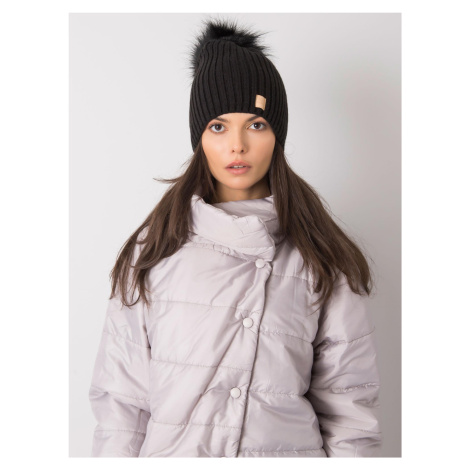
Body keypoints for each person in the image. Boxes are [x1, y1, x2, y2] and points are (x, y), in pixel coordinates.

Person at [88, 17, 382, 458]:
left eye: (257, 124)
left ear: (277, 134)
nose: (237, 145)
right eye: (218, 126)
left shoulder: (320, 255)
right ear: (199, 138)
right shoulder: (153, 251)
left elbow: (349, 411)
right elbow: (121, 407)